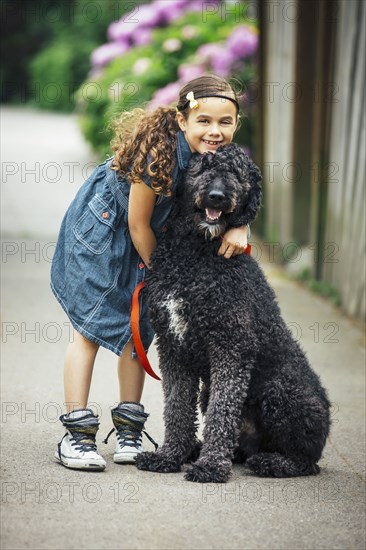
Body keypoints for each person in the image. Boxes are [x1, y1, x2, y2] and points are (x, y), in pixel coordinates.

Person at [51, 74, 254, 471]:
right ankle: (76, 434)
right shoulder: (157, 155)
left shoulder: (218, 155)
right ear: (182, 121)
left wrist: (241, 225)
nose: (214, 131)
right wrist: (163, 276)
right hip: (106, 231)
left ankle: (128, 427)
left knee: (140, 327)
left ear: (235, 124)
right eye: (204, 121)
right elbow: (138, 224)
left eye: (224, 122)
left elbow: (240, 193)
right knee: (89, 329)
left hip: (146, 236)